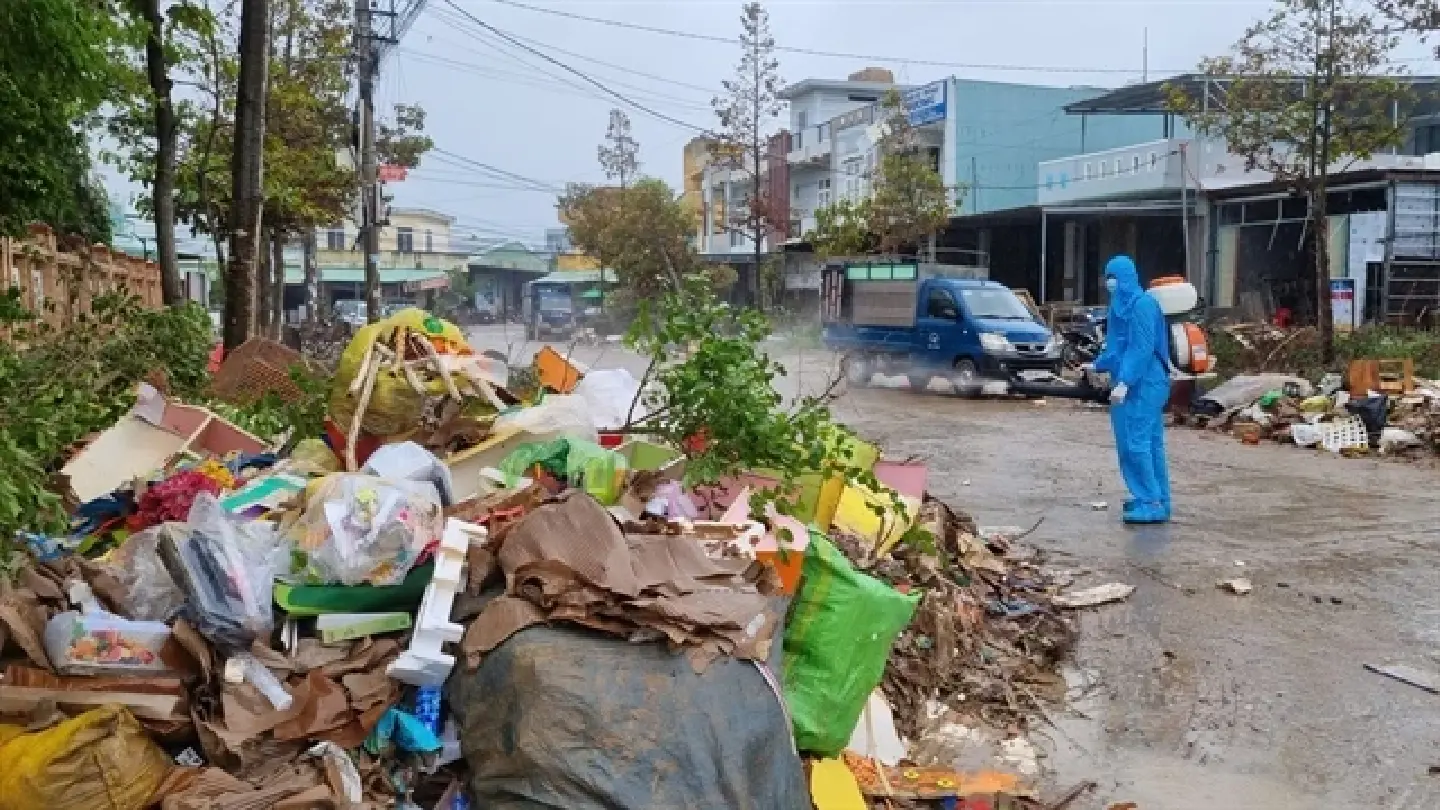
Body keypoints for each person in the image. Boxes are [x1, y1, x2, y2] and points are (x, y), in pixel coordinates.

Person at [1093, 255, 1172, 524]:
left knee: (1137, 443)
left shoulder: (1143, 305)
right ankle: (1152, 496)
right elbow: (1117, 346)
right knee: (1143, 442)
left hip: (1146, 382)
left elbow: (1142, 348)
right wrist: (1096, 365)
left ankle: (1151, 502)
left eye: (1114, 276)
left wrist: (1125, 381)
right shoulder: (1119, 306)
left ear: (1127, 277)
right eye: (1108, 276)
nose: (1110, 283)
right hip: (1129, 380)